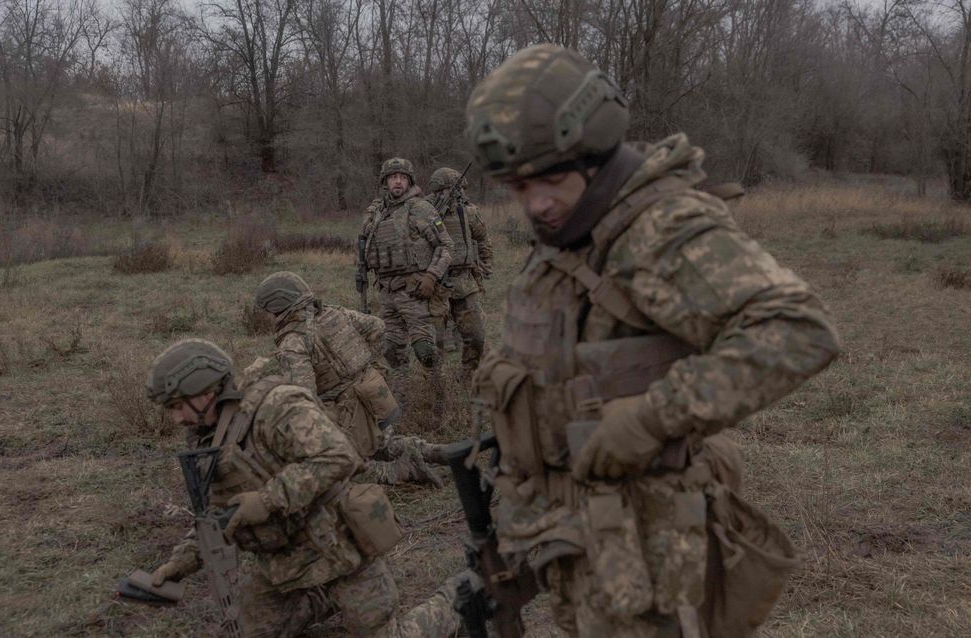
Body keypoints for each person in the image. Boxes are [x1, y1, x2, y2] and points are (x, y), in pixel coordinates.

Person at [463, 44, 840, 637]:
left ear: (597, 156)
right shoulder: (572, 232)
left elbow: (797, 328)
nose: (535, 202)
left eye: (552, 179)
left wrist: (652, 418)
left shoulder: (659, 229)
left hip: (652, 545)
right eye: (516, 185)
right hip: (580, 540)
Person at [144, 338, 463, 637]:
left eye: (176, 405)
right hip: (285, 565)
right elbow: (217, 514)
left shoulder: (276, 406)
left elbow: (339, 457)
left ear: (203, 391)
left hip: (340, 550)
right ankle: (321, 597)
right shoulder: (209, 440)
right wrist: (180, 563)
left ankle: (460, 596)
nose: (175, 419)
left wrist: (268, 500)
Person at [250, 271, 446, 487]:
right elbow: (378, 327)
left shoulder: (292, 343)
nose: (267, 317)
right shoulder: (335, 313)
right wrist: (363, 366)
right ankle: (434, 452)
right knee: (384, 445)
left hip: (348, 413)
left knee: (335, 468)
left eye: (267, 311)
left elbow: (304, 398)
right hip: (375, 395)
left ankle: (399, 471)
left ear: (278, 306)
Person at [360, 158, 453, 372]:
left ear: (409, 181)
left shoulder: (420, 208)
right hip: (387, 294)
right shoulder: (378, 212)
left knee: (425, 351)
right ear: (386, 182)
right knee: (391, 352)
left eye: (402, 177)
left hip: (415, 294)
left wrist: (432, 276)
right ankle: (403, 399)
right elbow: (367, 242)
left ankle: (439, 398)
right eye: (393, 178)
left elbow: (446, 246)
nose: (398, 182)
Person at [424, 167, 494, 378]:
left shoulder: (468, 211)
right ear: (437, 190)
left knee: (476, 337)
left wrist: (486, 262)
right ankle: (436, 385)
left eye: (458, 189)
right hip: (436, 284)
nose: (455, 193)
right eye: (448, 189)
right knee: (435, 342)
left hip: (465, 280)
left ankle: (468, 377)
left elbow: (482, 238)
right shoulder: (424, 211)